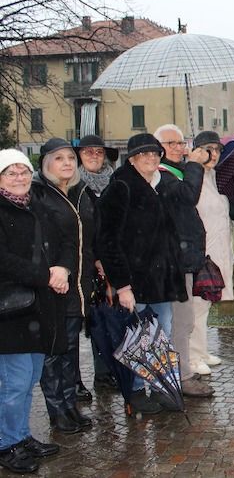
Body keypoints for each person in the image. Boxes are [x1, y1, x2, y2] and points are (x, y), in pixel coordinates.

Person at [95, 133, 188, 415]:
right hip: (136, 279)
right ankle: (135, 391)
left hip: (161, 279)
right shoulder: (121, 187)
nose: (150, 158)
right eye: (144, 154)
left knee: (162, 334)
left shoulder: (159, 184)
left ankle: (160, 386)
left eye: (154, 153)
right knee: (137, 337)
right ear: (132, 159)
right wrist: (123, 285)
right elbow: (108, 240)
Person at [0, 149, 65, 474]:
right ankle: (6, 444)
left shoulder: (36, 205)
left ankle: (20, 435)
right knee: (14, 383)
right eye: (11, 173)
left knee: (29, 379)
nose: (19, 178)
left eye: (23, 171)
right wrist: (44, 276)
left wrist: (63, 268)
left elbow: (62, 241)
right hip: (9, 311)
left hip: (38, 307)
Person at [33, 138, 94, 433]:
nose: (67, 163)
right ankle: (56, 410)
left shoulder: (76, 191)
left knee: (70, 349)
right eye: (59, 158)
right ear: (46, 164)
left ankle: (69, 405)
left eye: (70, 157)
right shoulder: (39, 194)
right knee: (54, 351)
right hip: (54, 286)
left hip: (77, 284)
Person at [153, 124, 214, 399]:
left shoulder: (174, 171)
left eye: (181, 143)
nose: (179, 148)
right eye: (171, 144)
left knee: (184, 319)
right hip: (174, 259)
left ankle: (182, 369)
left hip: (184, 256)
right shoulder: (162, 175)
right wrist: (194, 165)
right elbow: (188, 196)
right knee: (180, 320)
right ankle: (181, 375)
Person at [74, 134, 119, 393]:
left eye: (99, 152)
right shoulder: (74, 185)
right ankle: (74, 381)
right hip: (84, 262)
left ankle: (104, 374)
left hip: (110, 261)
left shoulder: (114, 183)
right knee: (80, 323)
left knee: (104, 320)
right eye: (88, 152)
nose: (94, 156)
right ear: (79, 156)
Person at [187, 132, 234, 376]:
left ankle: (202, 350)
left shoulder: (213, 176)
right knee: (197, 305)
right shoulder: (191, 175)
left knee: (206, 304)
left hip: (219, 249)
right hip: (203, 251)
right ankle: (193, 356)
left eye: (217, 149)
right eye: (208, 149)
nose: (213, 154)